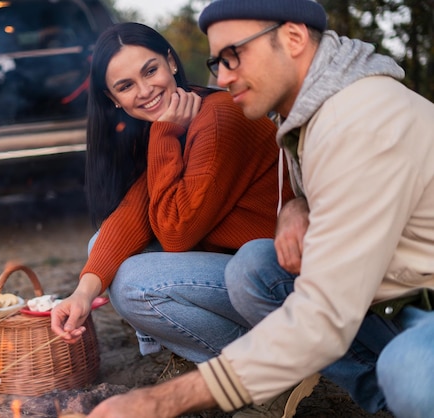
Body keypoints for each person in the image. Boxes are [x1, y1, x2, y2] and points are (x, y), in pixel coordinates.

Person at [83, 1, 434, 418]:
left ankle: (295, 378)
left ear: (294, 37)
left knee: (408, 371)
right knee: (252, 264)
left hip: (408, 303)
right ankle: (368, 388)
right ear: (113, 100)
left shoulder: (357, 120)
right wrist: (298, 205)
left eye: (235, 56)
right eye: (218, 62)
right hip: (377, 293)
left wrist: (163, 400)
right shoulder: (309, 114)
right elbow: (140, 204)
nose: (223, 76)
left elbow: (325, 310)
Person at [51, 22, 292, 367]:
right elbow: (135, 209)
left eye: (150, 71)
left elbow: (176, 232)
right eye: (126, 86)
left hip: (273, 278)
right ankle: (204, 354)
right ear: (113, 99)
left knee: (135, 285)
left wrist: (164, 134)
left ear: (171, 63)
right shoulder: (173, 117)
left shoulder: (217, 116)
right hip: (235, 263)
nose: (146, 90)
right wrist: (81, 295)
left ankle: (262, 366)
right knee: (101, 248)